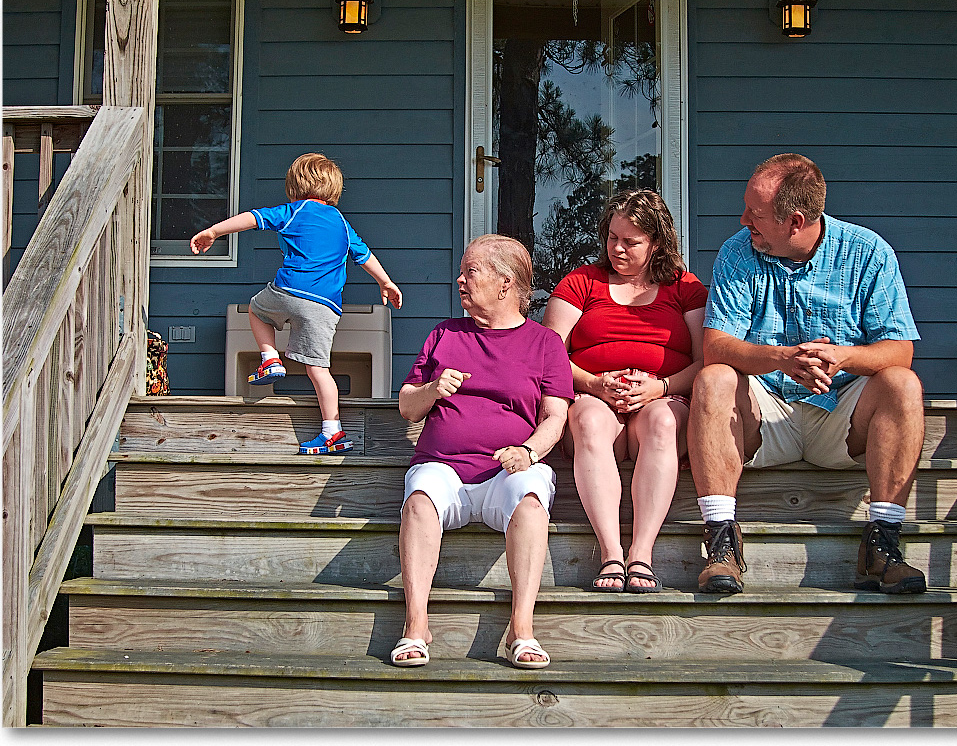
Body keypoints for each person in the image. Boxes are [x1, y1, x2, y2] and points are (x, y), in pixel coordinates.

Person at [688, 152, 926, 595]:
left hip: (841, 418)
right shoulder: (738, 252)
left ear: (794, 221)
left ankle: (884, 542)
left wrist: (843, 357)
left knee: (902, 383)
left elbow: (900, 349)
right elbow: (716, 345)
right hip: (765, 415)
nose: (743, 220)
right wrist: (782, 359)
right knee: (713, 377)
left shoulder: (868, 252)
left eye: (755, 214)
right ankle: (721, 541)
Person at [392, 234, 574, 670]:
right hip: (445, 469)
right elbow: (406, 407)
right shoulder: (444, 335)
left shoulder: (545, 344)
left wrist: (529, 452)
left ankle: (521, 629)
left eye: (471, 271)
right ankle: (416, 626)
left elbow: (556, 418)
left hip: (507, 471)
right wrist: (433, 390)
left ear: (505, 283)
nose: (460, 280)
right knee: (418, 502)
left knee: (531, 503)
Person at [542, 190, 707, 594]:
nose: (617, 248)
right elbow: (548, 353)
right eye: (612, 237)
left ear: (657, 243)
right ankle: (611, 552)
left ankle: (642, 554)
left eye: (630, 241)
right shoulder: (582, 282)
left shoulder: (684, 287)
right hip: (596, 400)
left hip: (663, 399)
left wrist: (660, 387)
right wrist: (594, 384)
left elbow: (707, 361)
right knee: (586, 418)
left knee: (662, 420)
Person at [190, 152, 402, 454]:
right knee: (319, 369)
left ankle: (270, 359)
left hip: (290, 291)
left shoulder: (294, 211)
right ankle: (333, 432)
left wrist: (214, 231)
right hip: (326, 306)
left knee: (255, 309)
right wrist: (386, 282)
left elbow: (252, 218)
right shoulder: (342, 224)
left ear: (295, 186)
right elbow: (364, 254)